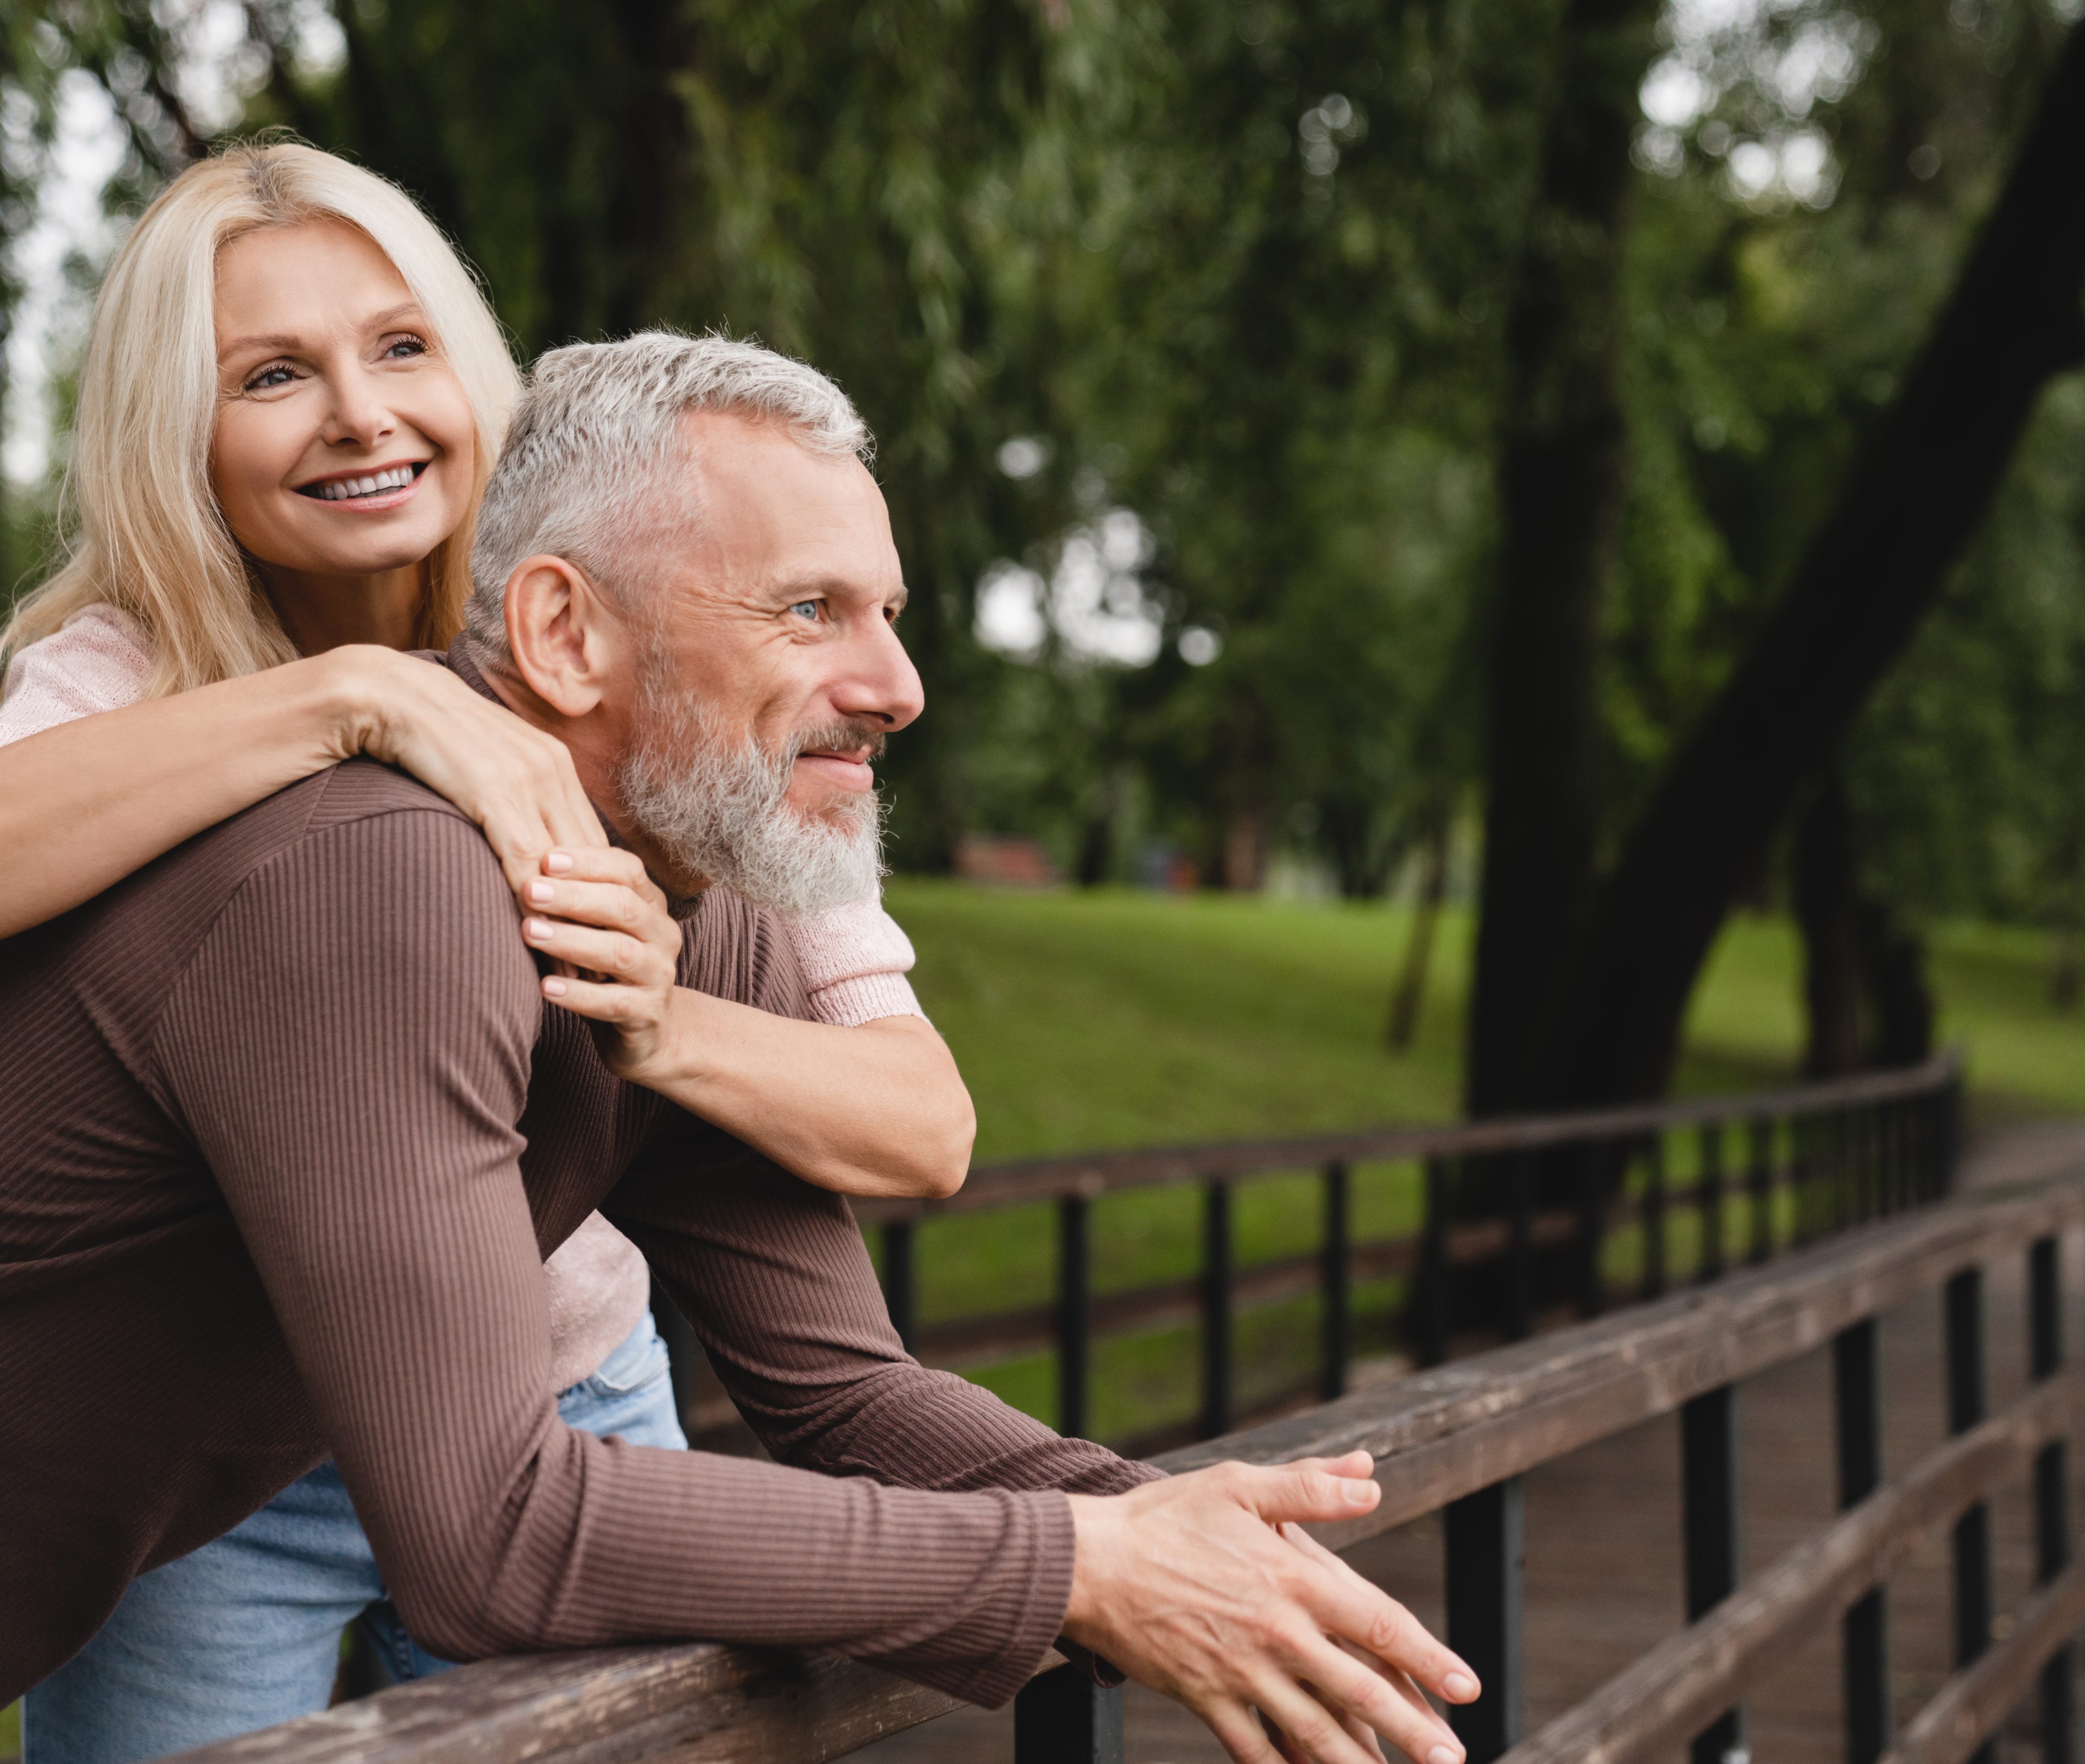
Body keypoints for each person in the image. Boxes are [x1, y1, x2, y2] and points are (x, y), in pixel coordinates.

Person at [0, 328, 1481, 1764]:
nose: (897, 686)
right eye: (809, 611)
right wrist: (1078, 1563)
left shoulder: (699, 902)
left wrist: (1178, 1529)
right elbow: (489, 1539)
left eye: (889, 613)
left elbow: (844, 1395)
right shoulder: (377, 879)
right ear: (565, 635)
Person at [0, 143, 971, 1763]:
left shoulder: (652, 685)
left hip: (569, 1390)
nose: (360, 414)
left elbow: (920, 1124)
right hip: (228, 1460)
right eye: (271, 375)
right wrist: (346, 703)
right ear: (177, 431)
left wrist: (665, 1025)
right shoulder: (119, 683)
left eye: (400, 347)